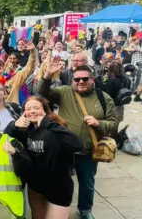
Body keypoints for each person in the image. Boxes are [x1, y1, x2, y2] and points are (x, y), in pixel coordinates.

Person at [38, 58, 118, 219]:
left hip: (88, 150)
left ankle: (85, 210)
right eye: (77, 79)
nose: (81, 81)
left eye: (85, 79)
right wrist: (47, 75)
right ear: (72, 80)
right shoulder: (64, 92)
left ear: (92, 80)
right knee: (60, 181)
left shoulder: (103, 97)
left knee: (87, 183)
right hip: (64, 150)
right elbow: (42, 92)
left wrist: (99, 123)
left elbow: (114, 123)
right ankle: (59, 208)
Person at [5, 97, 83, 219]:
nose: (32, 111)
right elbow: (5, 138)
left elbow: (77, 144)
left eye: (37, 108)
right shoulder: (26, 129)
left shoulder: (55, 127)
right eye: (28, 109)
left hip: (59, 187)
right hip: (36, 187)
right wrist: (14, 125)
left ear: (45, 111)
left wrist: (48, 124)